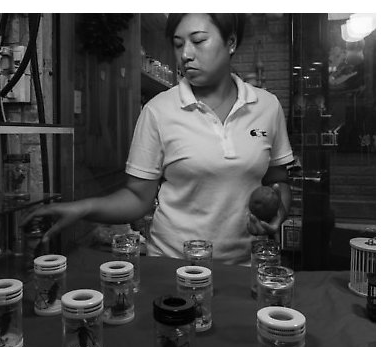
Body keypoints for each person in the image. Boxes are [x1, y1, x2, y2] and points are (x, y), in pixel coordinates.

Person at [23, 13, 293, 265]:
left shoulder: (266, 106)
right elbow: (137, 197)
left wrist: (280, 209)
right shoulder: (158, 110)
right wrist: (81, 209)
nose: (186, 54)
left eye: (198, 41)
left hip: (245, 266)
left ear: (230, 42)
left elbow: (277, 181)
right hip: (171, 265)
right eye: (178, 44)